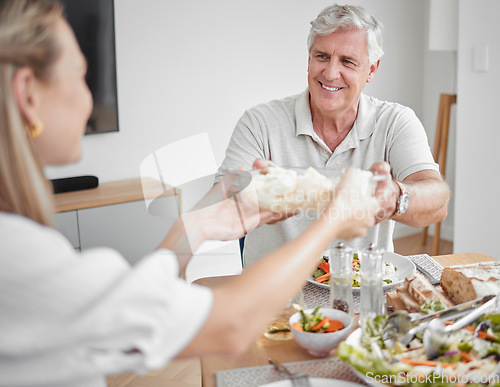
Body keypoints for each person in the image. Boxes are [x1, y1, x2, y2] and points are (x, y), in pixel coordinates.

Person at [0, 1, 380, 386]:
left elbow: (136, 300)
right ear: (28, 95)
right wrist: (334, 219)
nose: (89, 98)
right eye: (81, 76)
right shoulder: (17, 257)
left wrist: (195, 227)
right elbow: (228, 326)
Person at [218, 3, 451, 267]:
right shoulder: (259, 122)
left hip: (363, 290)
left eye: (347, 62)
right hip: (274, 295)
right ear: (308, 59)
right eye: (321, 56)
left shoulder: (396, 121)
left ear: (372, 70)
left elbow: (437, 202)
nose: (330, 73)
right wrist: (253, 196)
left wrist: (394, 198)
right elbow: (222, 206)